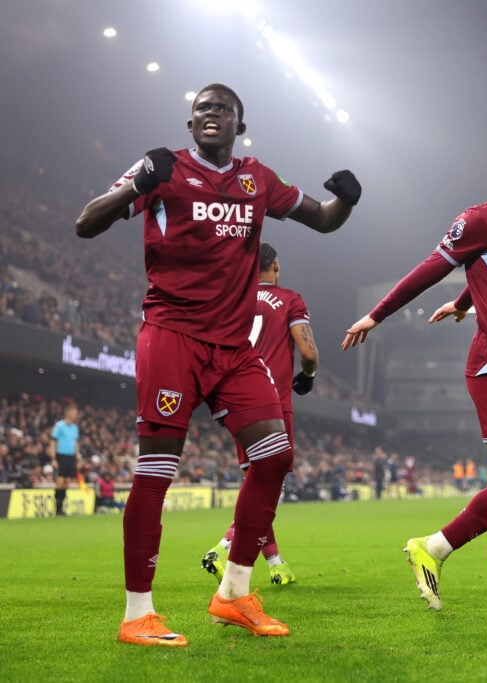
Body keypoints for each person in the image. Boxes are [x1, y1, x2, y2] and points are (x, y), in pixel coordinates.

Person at [75, 82, 361, 646]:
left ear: (239, 124)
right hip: (172, 337)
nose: (212, 115)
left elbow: (322, 219)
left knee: (275, 457)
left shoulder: (258, 179)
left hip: (233, 347)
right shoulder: (163, 168)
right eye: (203, 109)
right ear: (190, 125)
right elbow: (86, 222)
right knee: (156, 471)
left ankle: (233, 593)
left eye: (223, 110)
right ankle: (137, 613)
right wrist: (138, 183)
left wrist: (346, 200)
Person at [341, 129, 487, 623]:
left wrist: (465, 300)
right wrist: (376, 316)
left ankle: (433, 547)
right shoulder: (481, 218)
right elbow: (431, 266)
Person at [202, 243, 320, 587]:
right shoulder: (289, 299)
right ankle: (223, 546)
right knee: (268, 486)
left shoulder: (231, 298)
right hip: (271, 401)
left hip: (236, 398)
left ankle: (276, 564)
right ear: (276, 266)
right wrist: (308, 375)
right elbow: (308, 351)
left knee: (255, 485)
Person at [49, 403, 81, 516]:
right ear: (68, 413)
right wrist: (53, 458)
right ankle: (57, 509)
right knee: (60, 482)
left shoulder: (75, 428)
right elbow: (53, 442)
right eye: (75, 412)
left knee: (67, 482)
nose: (76, 414)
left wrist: (77, 456)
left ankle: (61, 508)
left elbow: (76, 443)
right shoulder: (59, 426)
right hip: (61, 456)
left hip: (71, 457)